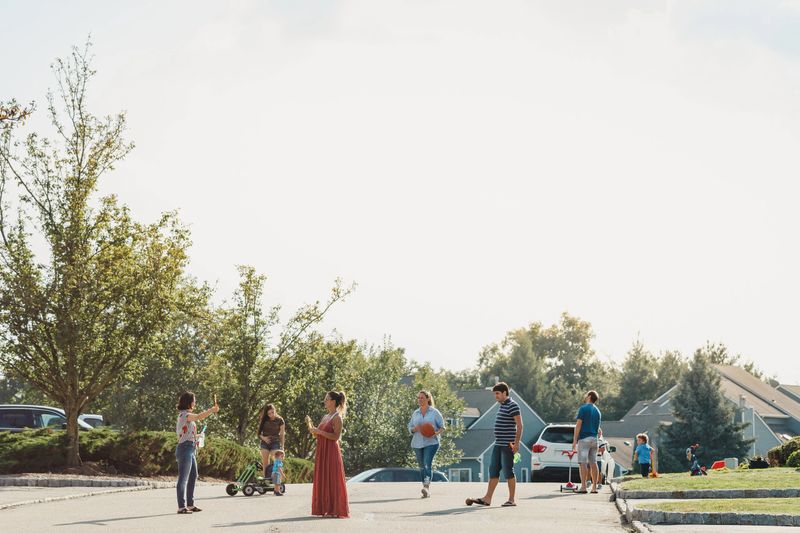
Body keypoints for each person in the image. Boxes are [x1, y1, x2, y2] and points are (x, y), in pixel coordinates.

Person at [466, 382, 523, 508]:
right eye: (494, 394)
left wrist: (517, 443)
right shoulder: (502, 406)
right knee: (493, 471)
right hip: (498, 444)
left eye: (497, 393)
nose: (495, 396)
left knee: (508, 471)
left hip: (507, 445)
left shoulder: (513, 405)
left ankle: (511, 499)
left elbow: (519, 425)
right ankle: (487, 498)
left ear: (504, 393)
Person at [175, 391, 219, 514]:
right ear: (189, 402)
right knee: (183, 478)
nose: (195, 402)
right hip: (185, 449)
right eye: (194, 400)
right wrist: (211, 410)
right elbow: (199, 416)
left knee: (193, 475)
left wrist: (198, 436)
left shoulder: (188, 415)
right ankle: (181, 506)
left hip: (190, 448)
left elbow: (186, 433)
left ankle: (190, 504)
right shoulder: (184, 415)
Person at [307, 391, 349, 518]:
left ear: (333, 401)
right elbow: (319, 433)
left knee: (332, 479)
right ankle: (323, 508)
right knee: (323, 477)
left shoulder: (337, 417)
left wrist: (319, 431)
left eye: (326, 399)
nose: (324, 401)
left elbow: (336, 436)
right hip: (322, 451)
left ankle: (334, 509)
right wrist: (313, 430)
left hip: (331, 451)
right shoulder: (325, 416)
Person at [408, 390, 445, 498]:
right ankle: (424, 486)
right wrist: (415, 429)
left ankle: (426, 488)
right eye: (418, 398)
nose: (420, 400)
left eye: (422, 398)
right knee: (421, 467)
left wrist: (434, 434)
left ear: (428, 399)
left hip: (431, 442)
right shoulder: (415, 413)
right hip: (417, 443)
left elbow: (442, 427)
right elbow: (410, 428)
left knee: (426, 464)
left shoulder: (434, 412)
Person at [572, 390, 601, 494]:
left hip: (584, 439)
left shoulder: (583, 408)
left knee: (582, 463)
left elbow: (579, 424)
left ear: (589, 396)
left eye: (586, 394)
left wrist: (574, 440)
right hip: (594, 439)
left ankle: (583, 487)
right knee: (593, 463)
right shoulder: (598, 411)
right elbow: (598, 428)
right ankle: (594, 487)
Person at [257, 403, 285, 477]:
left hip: (275, 443)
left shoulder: (280, 420)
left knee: (276, 461)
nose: (271, 415)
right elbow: (259, 433)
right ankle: (266, 478)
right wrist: (264, 438)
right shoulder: (264, 419)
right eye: (269, 413)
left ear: (275, 410)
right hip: (264, 443)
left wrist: (282, 447)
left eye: (272, 412)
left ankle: (276, 478)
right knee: (265, 462)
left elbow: (282, 434)